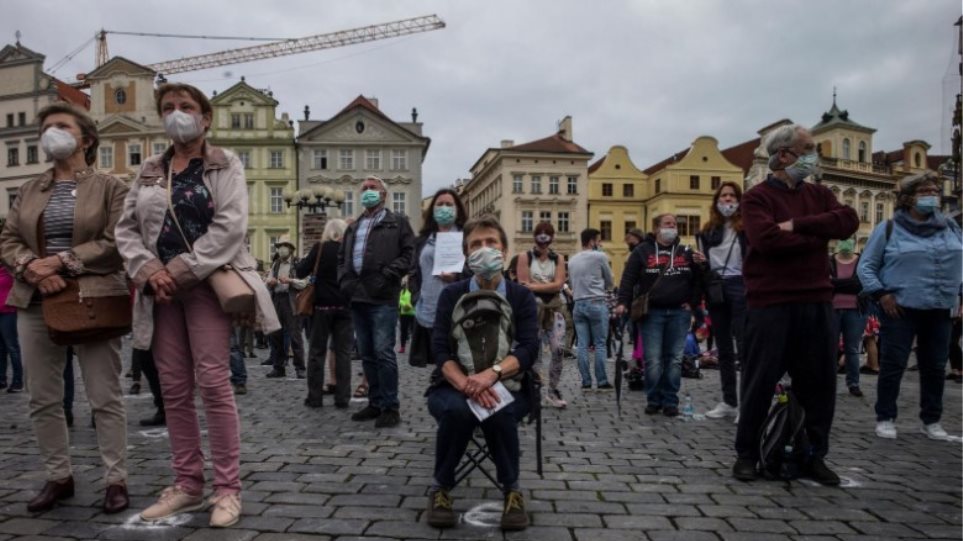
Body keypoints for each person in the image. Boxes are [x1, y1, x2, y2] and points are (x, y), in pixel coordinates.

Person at [116, 82, 280, 527]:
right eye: (168, 107)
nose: (176, 113)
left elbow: (230, 225)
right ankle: (188, 484)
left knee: (213, 382)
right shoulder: (150, 167)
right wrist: (150, 271)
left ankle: (227, 488)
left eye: (186, 107)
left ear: (205, 118)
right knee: (171, 387)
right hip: (161, 292)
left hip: (207, 285)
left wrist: (182, 269)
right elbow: (126, 227)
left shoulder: (226, 163)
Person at [0, 102, 130, 513]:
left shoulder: (110, 186)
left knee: (103, 396)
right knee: (43, 397)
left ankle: (115, 479)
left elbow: (115, 242)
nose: (50, 133)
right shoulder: (29, 188)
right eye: (46, 128)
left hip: (93, 297)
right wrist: (33, 270)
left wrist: (61, 262)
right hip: (35, 300)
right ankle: (59, 476)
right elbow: (7, 239)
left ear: (86, 138)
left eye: (59, 125)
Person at [732, 124, 858, 485]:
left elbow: (847, 222)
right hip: (771, 302)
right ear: (785, 154)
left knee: (819, 384)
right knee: (759, 381)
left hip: (816, 299)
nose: (814, 155)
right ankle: (746, 453)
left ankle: (813, 454)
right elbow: (766, 240)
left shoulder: (818, 193)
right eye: (808, 148)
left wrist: (797, 225)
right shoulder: (757, 197)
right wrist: (818, 235)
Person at [424, 215, 537, 531]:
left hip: (510, 384)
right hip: (453, 384)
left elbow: (528, 349)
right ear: (466, 253)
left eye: (491, 243)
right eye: (476, 244)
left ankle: (512, 491)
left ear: (504, 251)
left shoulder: (521, 296)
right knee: (459, 410)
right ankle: (441, 489)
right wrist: (467, 383)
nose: (484, 249)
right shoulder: (451, 295)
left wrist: (491, 375)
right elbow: (440, 351)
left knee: (498, 410)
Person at [857, 172, 963, 440]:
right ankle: (886, 417)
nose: (932, 195)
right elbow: (866, 266)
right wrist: (881, 294)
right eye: (924, 191)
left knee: (935, 365)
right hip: (900, 306)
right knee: (894, 363)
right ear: (908, 198)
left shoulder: (950, 227)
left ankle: (931, 420)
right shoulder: (889, 228)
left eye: (934, 190)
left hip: (940, 304)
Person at [338, 176, 415, 428]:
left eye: (373, 188)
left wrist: (387, 275)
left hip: (382, 297)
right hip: (357, 296)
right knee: (367, 355)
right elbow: (342, 258)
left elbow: (408, 255)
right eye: (364, 189)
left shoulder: (398, 223)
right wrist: (345, 281)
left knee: (383, 352)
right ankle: (375, 402)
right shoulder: (354, 226)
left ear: (384, 195)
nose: (368, 192)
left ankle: (390, 407)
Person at [615, 214, 705, 416]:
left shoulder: (686, 252)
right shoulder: (642, 251)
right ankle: (654, 398)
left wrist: (692, 302)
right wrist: (622, 302)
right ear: (657, 228)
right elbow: (628, 278)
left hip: (679, 313)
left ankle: (670, 400)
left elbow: (698, 280)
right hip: (652, 313)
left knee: (674, 359)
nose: (672, 227)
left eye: (674, 225)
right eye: (668, 224)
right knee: (653, 360)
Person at [696, 181, 747, 420]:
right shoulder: (708, 230)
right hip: (716, 286)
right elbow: (706, 262)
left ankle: (747, 403)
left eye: (732, 196)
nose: (727, 200)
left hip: (740, 284)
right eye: (723, 196)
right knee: (724, 348)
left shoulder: (746, 227)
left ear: (738, 200)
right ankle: (729, 401)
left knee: (745, 347)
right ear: (717, 201)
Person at [409, 188, 469, 368]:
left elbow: (476, 270)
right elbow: (414, 272)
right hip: (429, 309)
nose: (444, 208)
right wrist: (416, 296)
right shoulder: (423, 240)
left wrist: (457, 276)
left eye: (449, 204)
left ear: (457, 209)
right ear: (432, 210)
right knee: (439, 360)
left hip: (460, 309)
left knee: (459, 361)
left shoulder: (467, 236)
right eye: (440, 204)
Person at [297, 218, 353, 409]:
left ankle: (314, 397)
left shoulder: (320, 248)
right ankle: (342, 397)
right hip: (345, 307)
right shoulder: (349, 251)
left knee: (316, 352)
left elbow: (300, 271)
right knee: (343, 353)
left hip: (322, 308)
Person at [516, 222, 568, 408]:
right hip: (533, 310)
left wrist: (535, 286)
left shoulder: (558, 258)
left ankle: (553, 390)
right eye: (540, 233)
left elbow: (559, 284)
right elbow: (523, 284)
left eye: (548, 234)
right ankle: (533, 390)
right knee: (534, 352)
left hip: (555, 309)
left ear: (552, 237)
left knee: (558, 351)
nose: (544, 237)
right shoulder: (525, 257)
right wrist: (547, 285)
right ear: (535, 236)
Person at [568, 228, 614, 390]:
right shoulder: (600, 256)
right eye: (598, 240)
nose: (600, 243)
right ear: (592, 241)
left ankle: (586, 381)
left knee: (582, 345)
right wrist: (606, 285)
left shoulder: (572, 260)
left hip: (578, 303)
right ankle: (601, 381)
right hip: (596, 301)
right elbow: (610, 280)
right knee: (600, 344)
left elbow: (572, 284)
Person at [265, 236, 307, 379]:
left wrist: (290, 280)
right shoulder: (276, 264)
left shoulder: (297, 263)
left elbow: (304, 283)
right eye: (279, 246)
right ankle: (278, 367)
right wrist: (270, 282)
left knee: (295, 336)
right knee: (275, 335)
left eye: (284, 246)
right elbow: (267, 280)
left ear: (290, 248)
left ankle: (300, 368)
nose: (281, 249)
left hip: (291, 301)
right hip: (277, 299)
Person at [830, 238, 867, 397]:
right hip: (832, 310)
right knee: (830, 348)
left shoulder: (861, 260)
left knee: (852, 349)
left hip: (855, 311)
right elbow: (827, 283)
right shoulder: (830, 260)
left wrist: (837, 283)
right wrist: (849, 283)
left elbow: (860, 284)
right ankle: (828, 382)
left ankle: (853, 383)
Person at [0, 265, 23, 393]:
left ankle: (17, 381)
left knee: (12, 347)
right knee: (0, 348)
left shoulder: (9, 271)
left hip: (9, 312)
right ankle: (1, 379)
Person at [398, 280, 415, 353]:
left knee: (413, 331)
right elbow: (399, 299)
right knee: (403, 331)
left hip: (413, 313)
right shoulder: (403, 291)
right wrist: (404, 304)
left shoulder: (415, 291)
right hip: (404, 313)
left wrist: (411, 306)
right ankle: (402, 347)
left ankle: (414, 348)